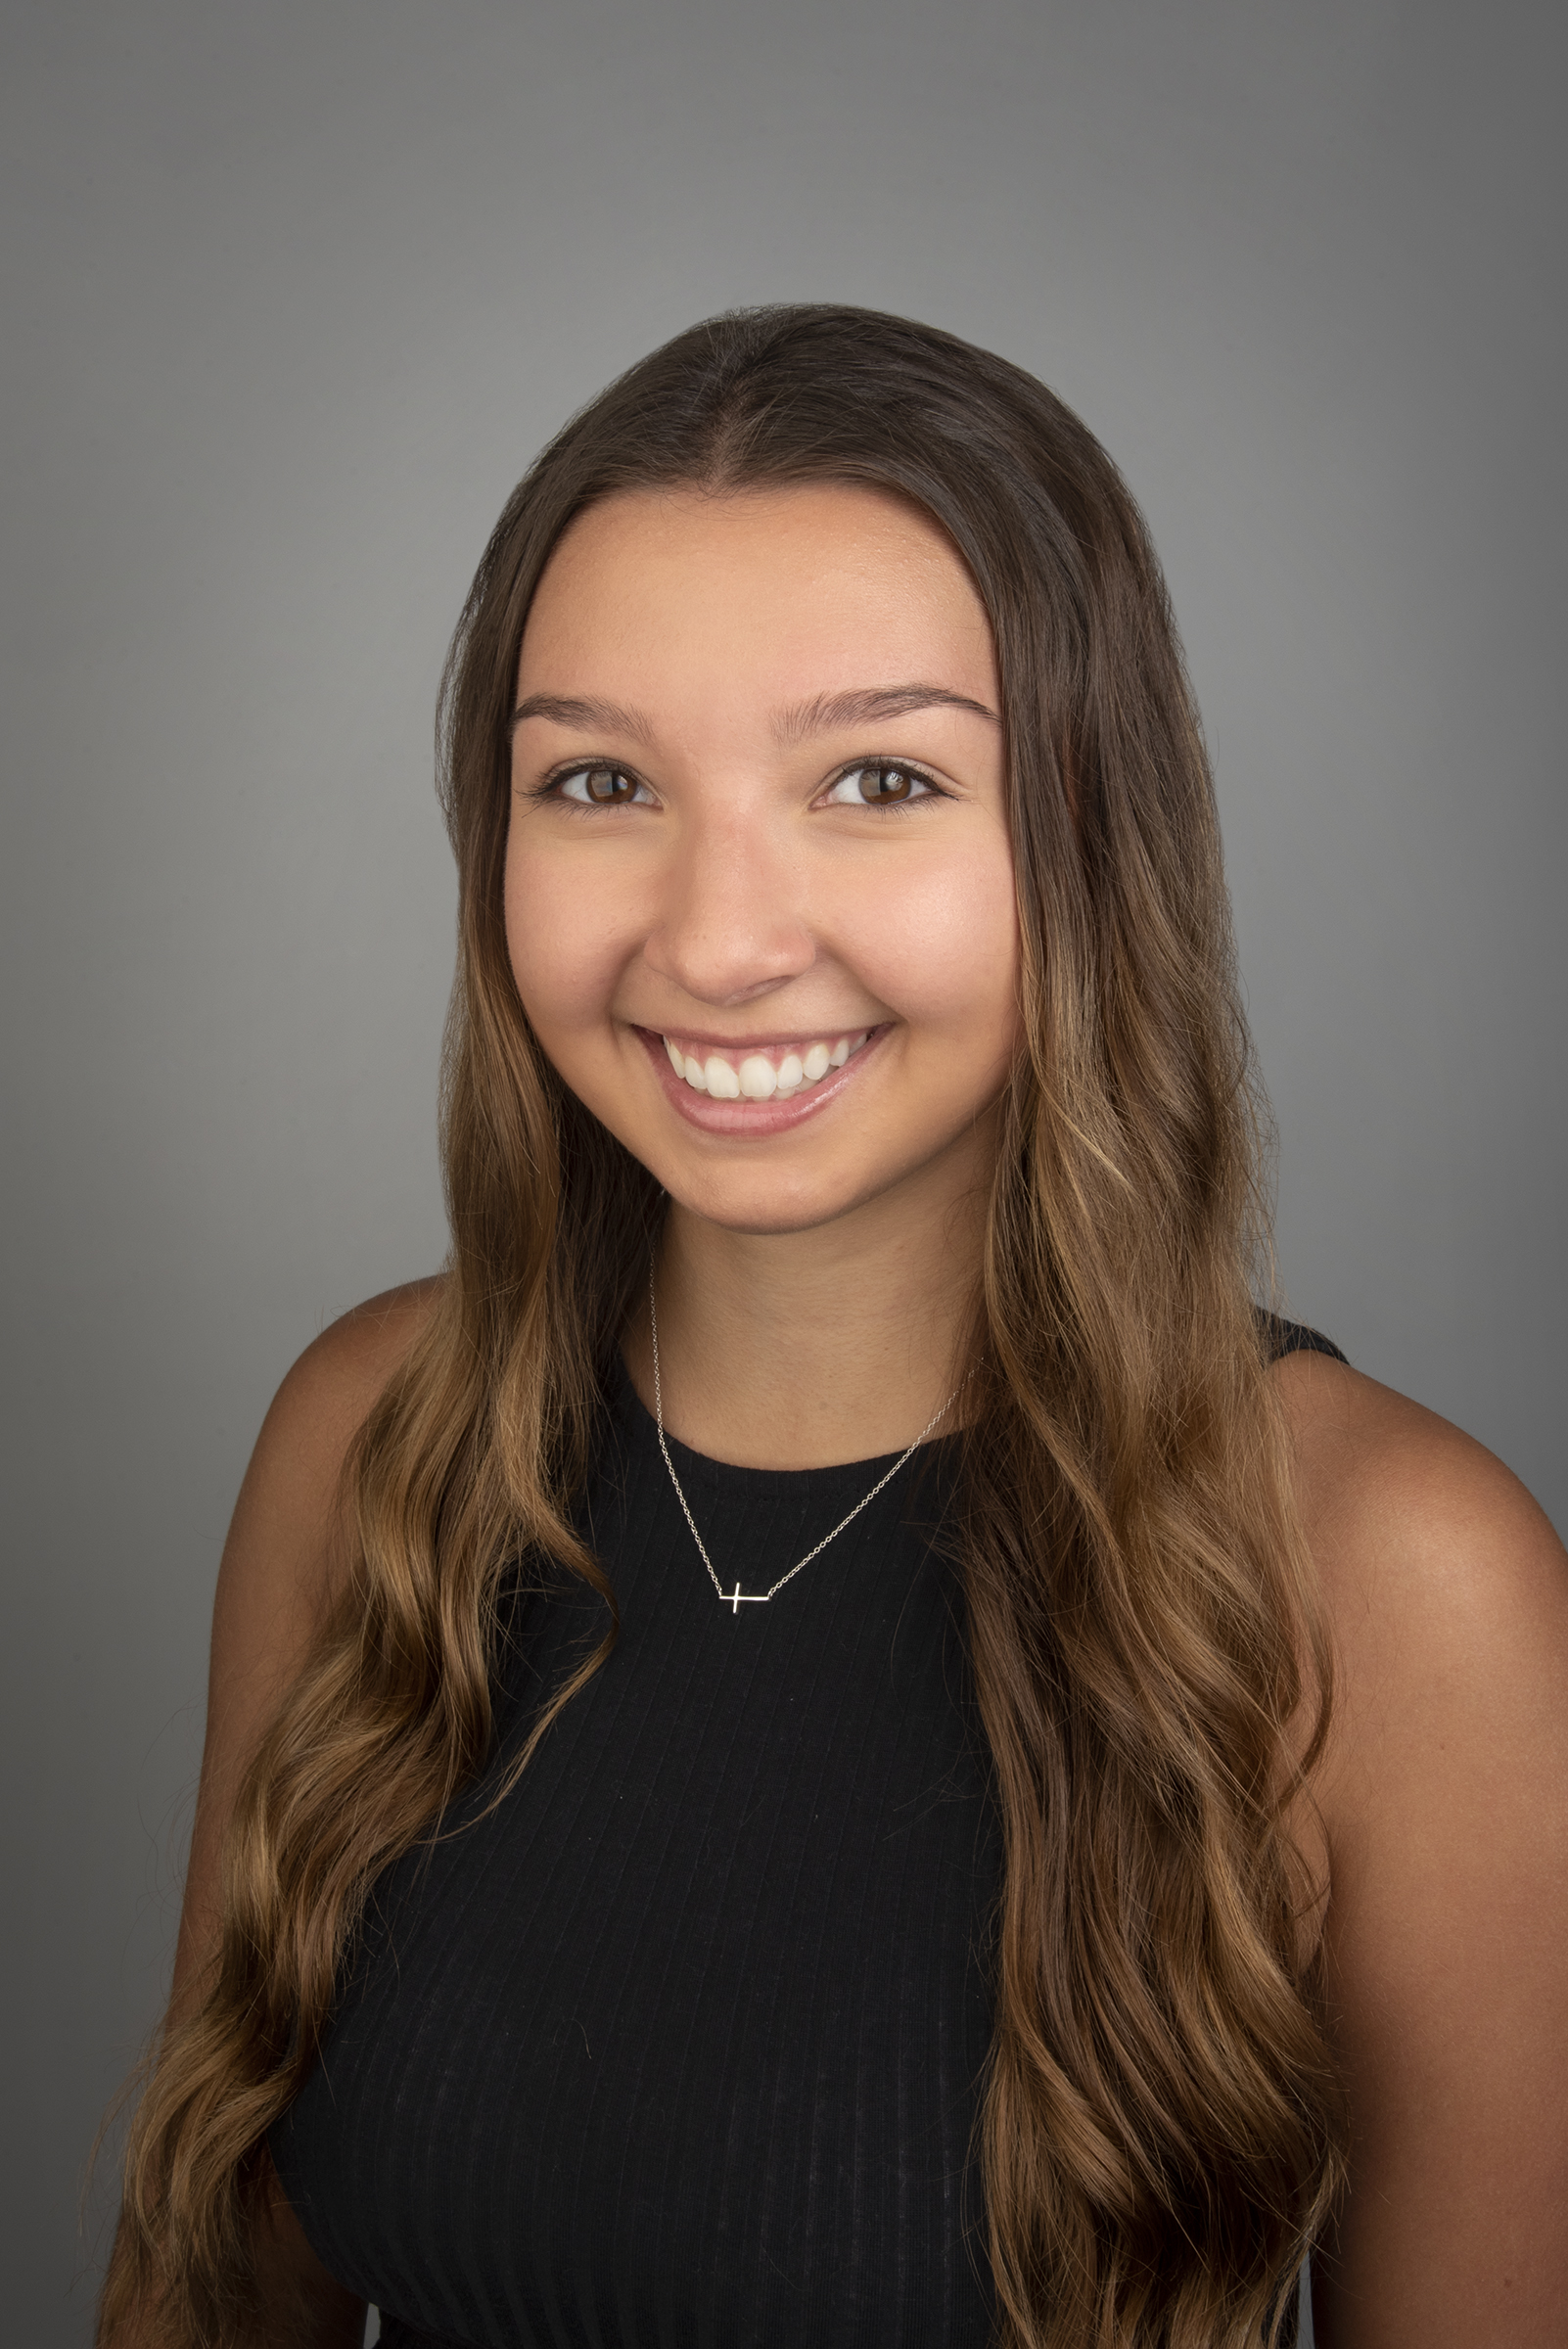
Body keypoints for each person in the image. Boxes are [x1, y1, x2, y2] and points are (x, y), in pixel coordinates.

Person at [99, 306, 1568, 2349]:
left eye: (879, 779)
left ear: (1087, 830)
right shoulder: (374, 1439)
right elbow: (208, 2294)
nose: (717, 941)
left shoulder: (1399, 1583)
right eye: (599, 780)